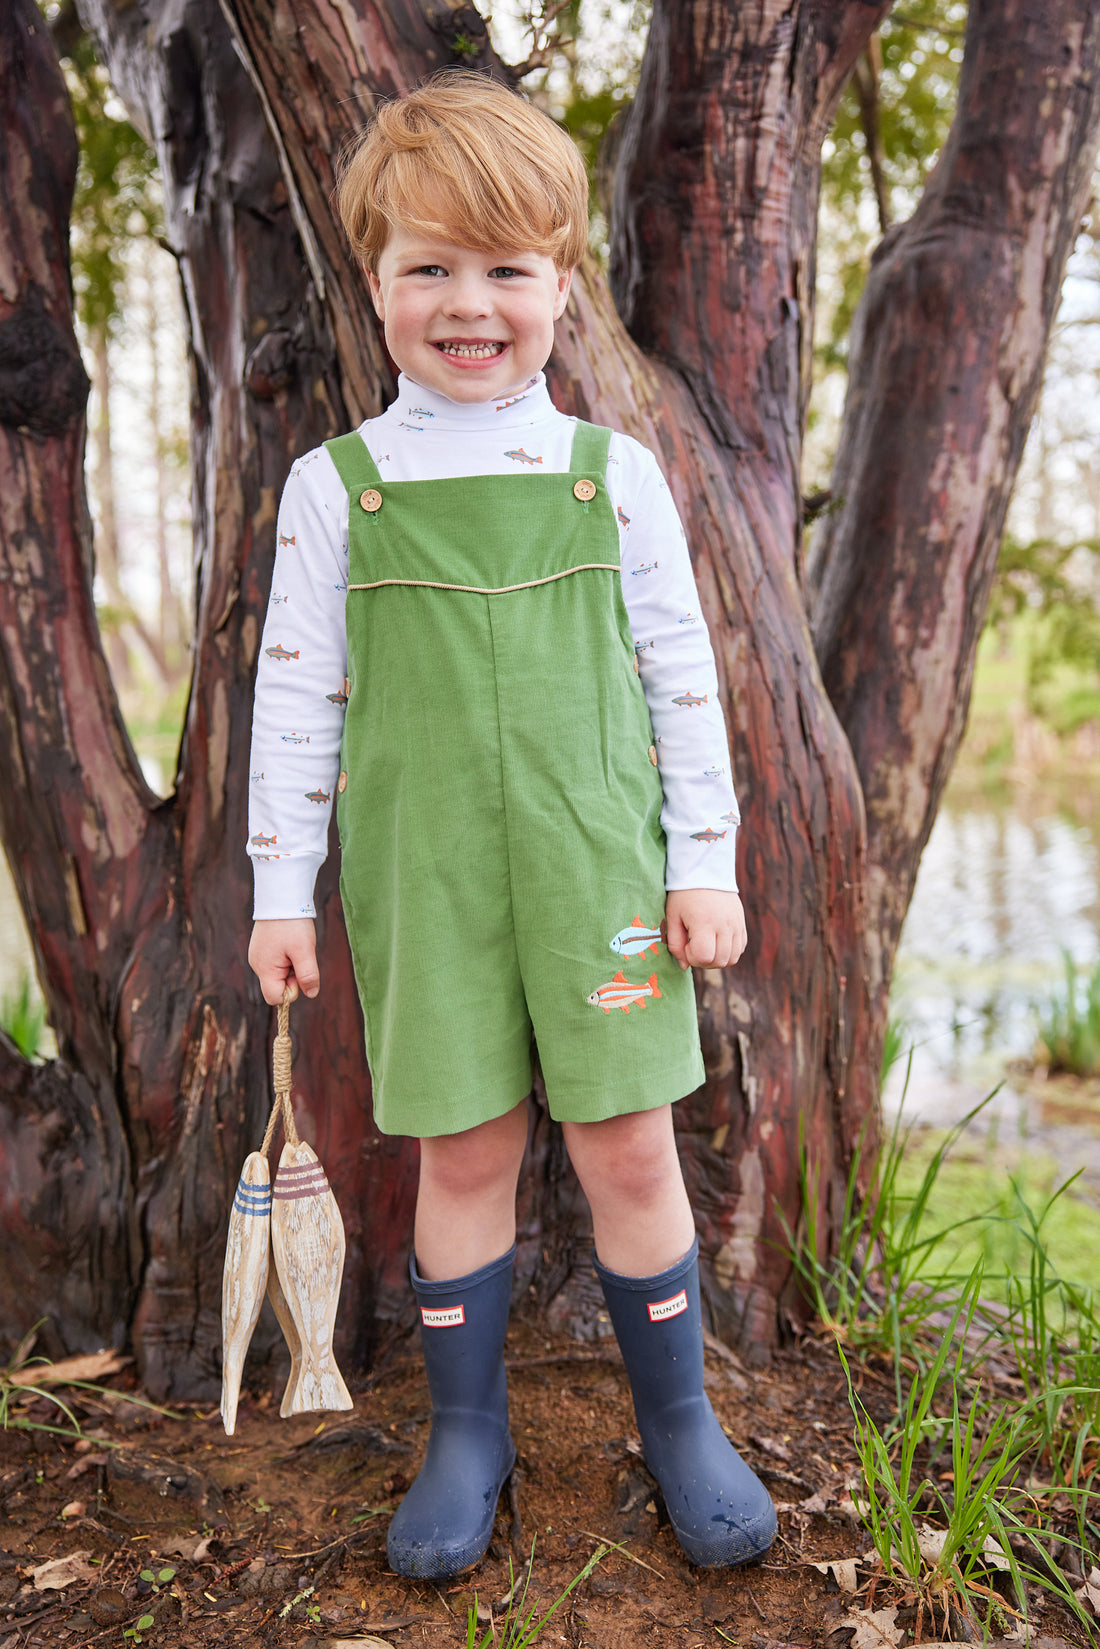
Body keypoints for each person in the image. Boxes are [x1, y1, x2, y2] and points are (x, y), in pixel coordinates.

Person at [246, 69, 776, 1581]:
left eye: (506, 269)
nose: (468, 305)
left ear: (561, 282)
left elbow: (684, 677)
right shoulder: (338, 490)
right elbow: (296, 705)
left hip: (598, 863)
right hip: (426, 880)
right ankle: (465, 1430)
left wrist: (704, 860)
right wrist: (283, 886)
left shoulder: (609, 476)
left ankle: (679, 1420)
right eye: (430, 267)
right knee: (464, 1153)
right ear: (377, 281)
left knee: (624, 1140)